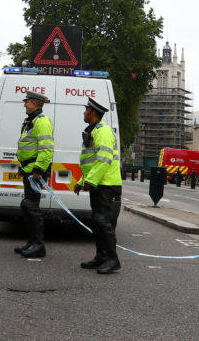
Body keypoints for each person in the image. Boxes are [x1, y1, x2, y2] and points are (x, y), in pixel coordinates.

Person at [73, 97, 123, 274]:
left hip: (106, 183)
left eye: (86, 110)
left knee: (102, 222)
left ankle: (112, 259)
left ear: (92, 113)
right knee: (97, 221)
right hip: (99, 183)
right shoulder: (93, 131)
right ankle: (101, 257)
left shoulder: (103, 131)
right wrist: (81, 182)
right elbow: (90, 162)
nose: (84, 112)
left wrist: (90, 181)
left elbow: (103, 159)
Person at [14, 91, 54, 258]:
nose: (25, 104)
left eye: (27, 102)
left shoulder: (42, 122)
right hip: (29, 169)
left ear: (35, 103)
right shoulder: (32, 121)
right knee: (27, 206)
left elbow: (46, 148)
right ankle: (32, 242)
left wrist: (38, 169)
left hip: (35, 171)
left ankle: (38, 245)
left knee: (31, 206)